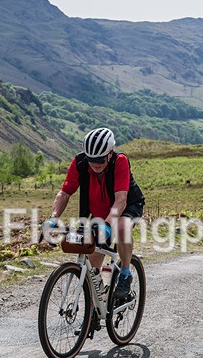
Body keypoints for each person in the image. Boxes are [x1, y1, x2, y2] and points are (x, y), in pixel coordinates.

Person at [43, 127, 145, 299]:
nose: (95, 164)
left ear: (110, 153)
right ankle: (97, 306)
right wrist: (53, 218)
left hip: (127, 207)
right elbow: (65, 193)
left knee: (121, 227)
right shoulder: (80, 163)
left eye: (100, 159)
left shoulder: (120, 161)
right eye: (91, 159)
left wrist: (107, 225)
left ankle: (125, 274)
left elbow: (121, 201)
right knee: (92, 270)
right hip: (100, 214)